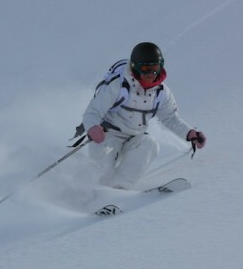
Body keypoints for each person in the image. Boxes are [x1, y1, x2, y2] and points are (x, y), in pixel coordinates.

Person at [79, 42, 206, 189]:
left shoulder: (161, 92)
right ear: (135, 66)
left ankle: (118, 190)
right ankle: (86, 197)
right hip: (107, 136)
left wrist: (190, 133)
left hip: (135, 138)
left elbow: (170, 118)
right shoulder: (119, 85)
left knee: (150, 144)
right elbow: (93, 112)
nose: (151, 74)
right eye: (145, 68)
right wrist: (93, 128)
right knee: (101, 177)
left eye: (155, 68)